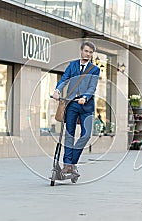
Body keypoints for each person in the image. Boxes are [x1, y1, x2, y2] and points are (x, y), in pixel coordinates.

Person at [52, 41, 100, 176]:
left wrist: (85, 97)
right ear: (81, 51)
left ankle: (72, 162)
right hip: (72, 103)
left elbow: (92, 87)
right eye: (86, 51)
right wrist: (57, 91)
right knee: (69, 134)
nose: (88, 54)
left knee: (86, 134)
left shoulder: (95, 69)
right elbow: (64, 79)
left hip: (87, 106)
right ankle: (67, 166)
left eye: (90, 52)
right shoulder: (72, 66)